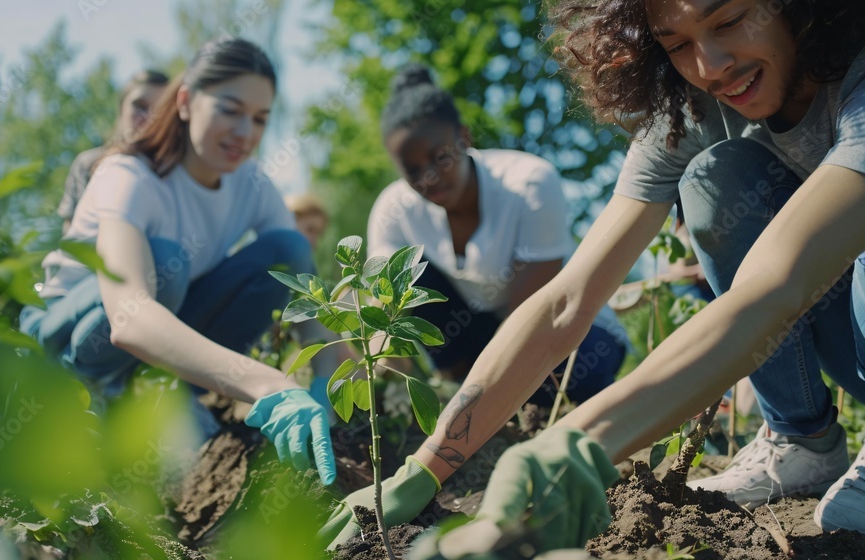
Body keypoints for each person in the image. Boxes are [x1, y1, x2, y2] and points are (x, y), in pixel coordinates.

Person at [325, 0, 865, 552]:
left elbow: (773, 288)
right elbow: (565, 302)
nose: (710, 65)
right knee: (715, 180)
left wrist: (576, 441)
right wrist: (426, 466)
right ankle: (805, 444)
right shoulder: (693, 110)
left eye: (728, 21)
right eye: (676, 44)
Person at [18, 38, 335, 485]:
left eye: (260, 119)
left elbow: (307, 288)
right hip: (67, 340)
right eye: (230, 109)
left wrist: (328, 382)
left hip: (154, 334)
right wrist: (268, 383)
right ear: (185, 101)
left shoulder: (250, 184)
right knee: (165, 259)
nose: (245, 132)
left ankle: (165, 400)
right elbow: (129, 316)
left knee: (287, 249)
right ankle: (82, 403)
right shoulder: (129, 176)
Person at [367, 65, 627, 405]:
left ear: (464, 137)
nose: (428, 178)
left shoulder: (529, 184)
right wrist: (383, 381)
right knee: (407, 271)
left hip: (565, 332)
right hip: (484, 338)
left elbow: (528, 317)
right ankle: (462, 387)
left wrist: (473, 404)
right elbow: (380, 309)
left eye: (440, 158)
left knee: (567, 377)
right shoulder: (393, 209)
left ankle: (514, 403)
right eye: (412, 170)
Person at [58, 69, 170, 233]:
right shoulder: (89, 163)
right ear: (121, 108)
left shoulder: (175, 169)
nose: (149, 118)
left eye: (160, 111)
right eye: (140, 106)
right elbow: (71, 232)